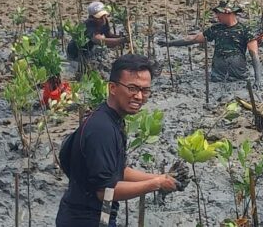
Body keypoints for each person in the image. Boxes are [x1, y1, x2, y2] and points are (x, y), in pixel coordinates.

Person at [56, 55, 183, 227]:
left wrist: (161, 177)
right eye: (132, 88)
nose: (139, 96)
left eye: (145, 90)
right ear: (113, 88)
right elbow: (105, 191)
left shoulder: (111, 119)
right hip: (84, 220)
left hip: (96, 216)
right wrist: (156, 183)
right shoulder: (102, 129)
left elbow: (118, 171)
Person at [158, 0, 262, 86]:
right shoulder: (215, 29)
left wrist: (258, 80)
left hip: (238, 76)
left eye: (219, 13)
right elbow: (193, 39)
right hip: (217, 76)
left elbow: (254, 56)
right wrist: (169, 43)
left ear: (228, 13)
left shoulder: (245, 31)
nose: (217, 16)